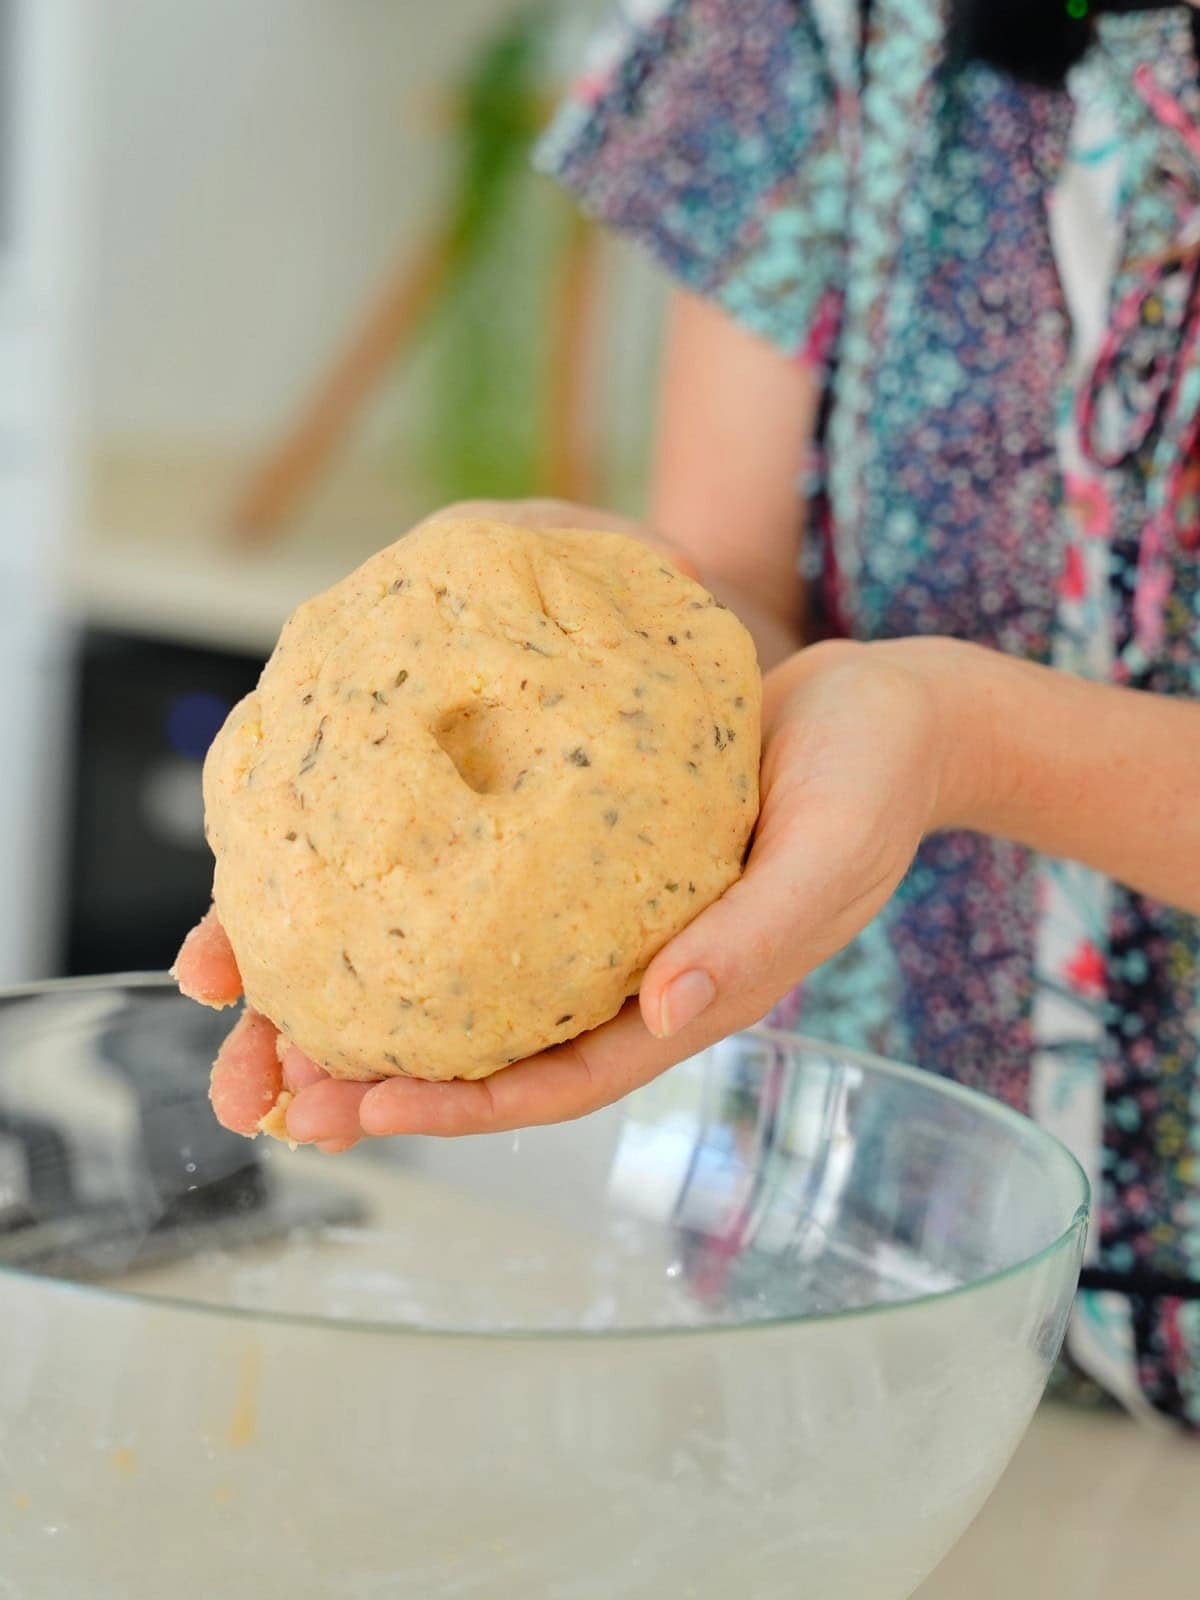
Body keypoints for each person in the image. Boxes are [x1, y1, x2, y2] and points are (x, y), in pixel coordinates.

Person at [177, 2, 1200, 1425]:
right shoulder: (806, 23)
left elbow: (915, 721)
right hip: (845, 1315)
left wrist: (960, 736)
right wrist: (592, 607)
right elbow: (725, 596)